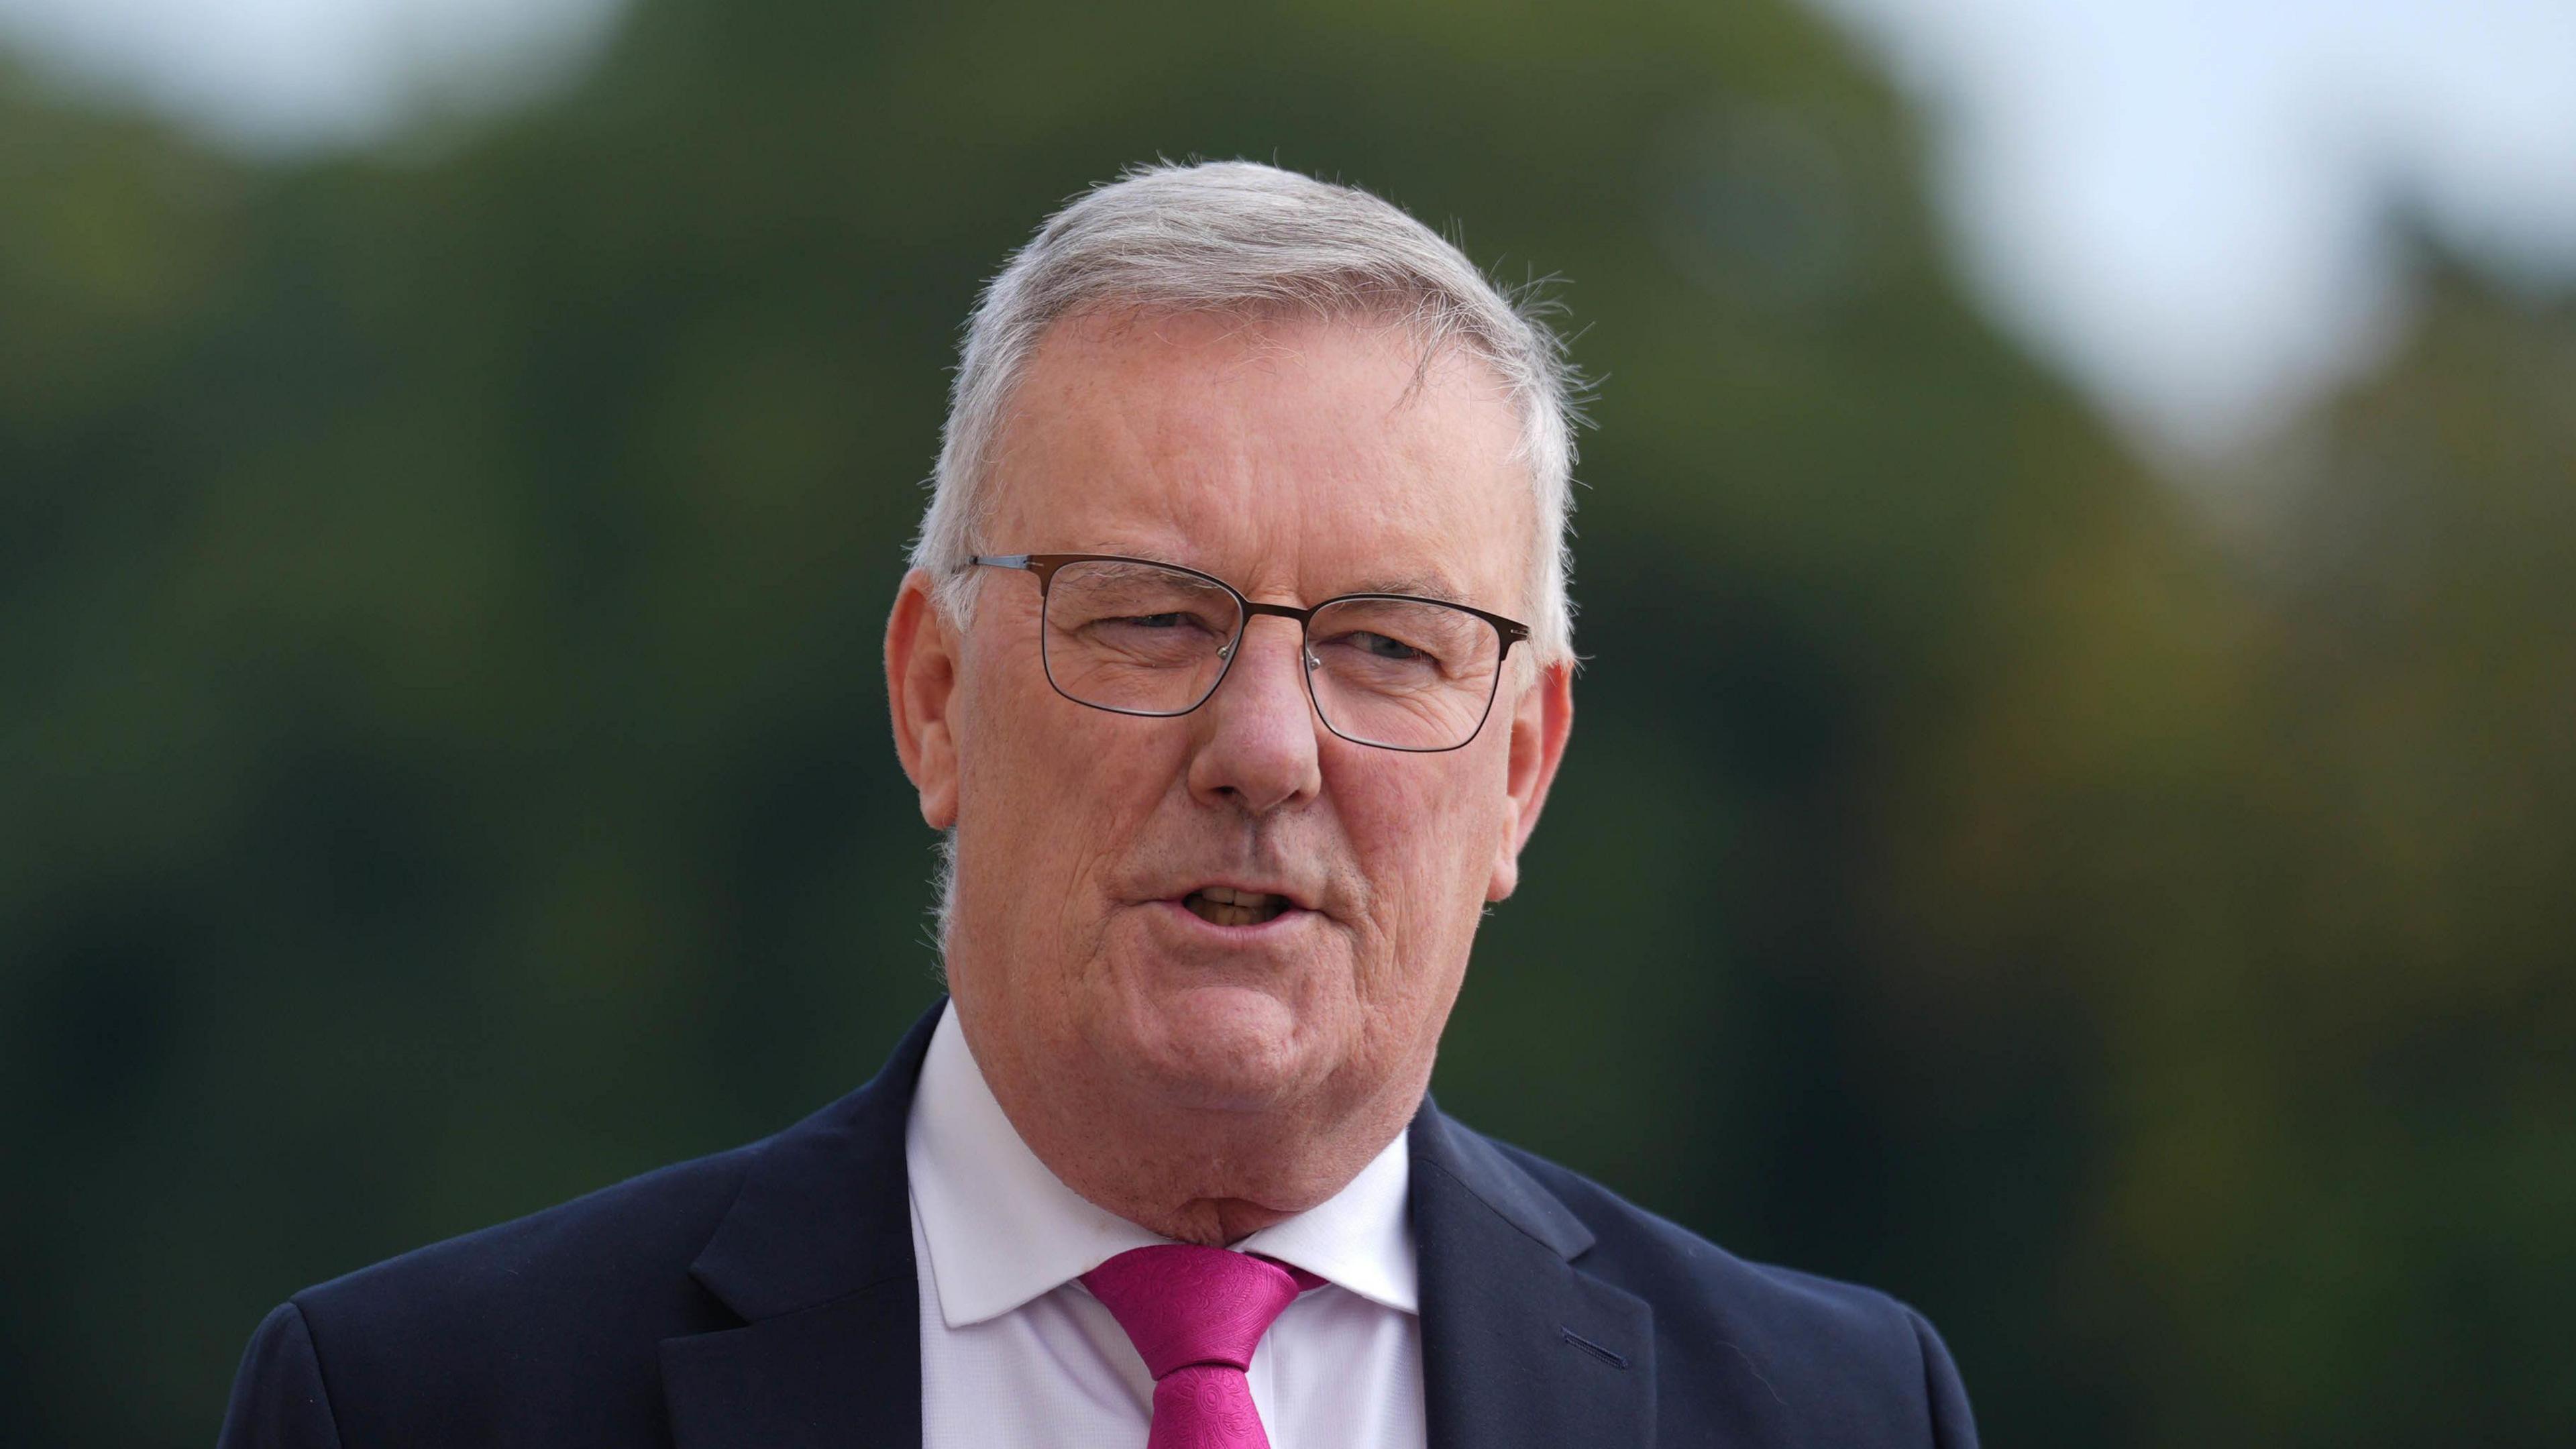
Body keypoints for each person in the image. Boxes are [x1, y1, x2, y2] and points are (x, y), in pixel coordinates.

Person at [219, 160, 1978, 1449]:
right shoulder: (418, 1406)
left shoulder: (1834, 1415)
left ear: (1522, 768)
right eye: (1151, 618)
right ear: (933, 699)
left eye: (1386, 647)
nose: (1268, 748)